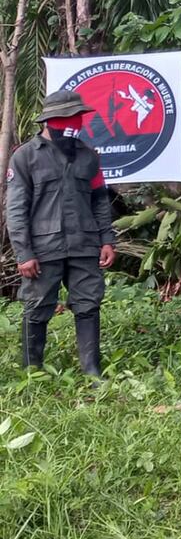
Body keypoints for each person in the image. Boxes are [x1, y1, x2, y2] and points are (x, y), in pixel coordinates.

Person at [7, 91, 116, 376]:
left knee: (88, 304)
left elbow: (100, 201)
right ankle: (33, 372)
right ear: (50, 120)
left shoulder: (88, 156)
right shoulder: (25, 157)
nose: (74, 123)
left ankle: (92, 371)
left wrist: (107, 240)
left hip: (85, 245)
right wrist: (24, 253)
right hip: (43, 250)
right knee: (37, 308)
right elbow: (16, 209)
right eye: (67, 118)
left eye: (77, 117)